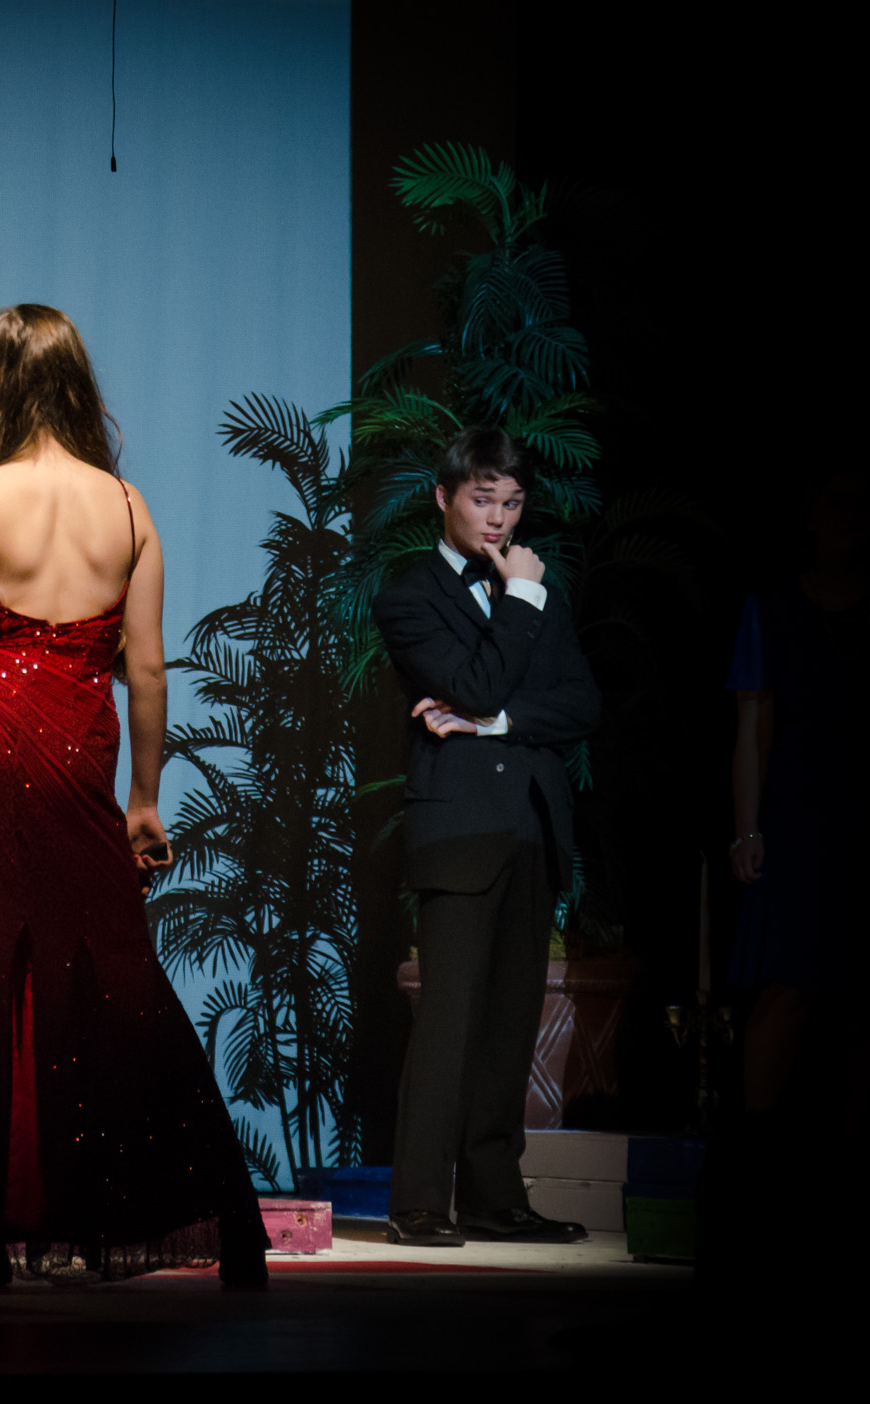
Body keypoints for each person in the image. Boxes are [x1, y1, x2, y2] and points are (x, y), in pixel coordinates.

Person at [0, 304, 267, 1288]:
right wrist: (144, 802)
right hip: (77, 759)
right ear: (79, 385)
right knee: (112, 976)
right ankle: (222, 1230)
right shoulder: (127, 509)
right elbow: (147, 673)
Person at [370, 428, 599, 1248]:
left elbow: (581, 704)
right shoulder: (410, 596)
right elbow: (473, 681)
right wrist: (518, 603)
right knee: (449, 1021)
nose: (498, 518)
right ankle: (420, 1202)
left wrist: (492, 723)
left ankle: (495, 1198)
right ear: (444, 498)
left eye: (512, 502)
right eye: (481, 499)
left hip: (531, 824)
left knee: (509, 1022)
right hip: (460, 827)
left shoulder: (539, 590)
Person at [725, 469, 870, 1113]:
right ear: (812, 515)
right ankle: (754, 1151)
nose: (849, 518)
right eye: (837, 503)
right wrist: (748, 829)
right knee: (788, 985)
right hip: (798, 820)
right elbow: (752, 728)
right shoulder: (773, 608)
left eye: (862, 506)